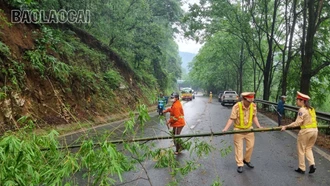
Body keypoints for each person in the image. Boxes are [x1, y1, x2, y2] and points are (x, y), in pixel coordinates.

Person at [222, 92, 263, 173]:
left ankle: (247, 160)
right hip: (238, 130)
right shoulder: (237, 106)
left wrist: (259, 126)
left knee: (250, 146)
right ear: (244, 99)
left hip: (249, 129)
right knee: (239, 148)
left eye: (252, 101)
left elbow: (254, 117)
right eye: (248, 101)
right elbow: (232, 118)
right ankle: (240, 164)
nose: (250, 103)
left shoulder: (253, 106)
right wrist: (225, 129)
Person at [281, 91, 318, 174]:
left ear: (302, 101)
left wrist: (286, 126)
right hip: (315, 131)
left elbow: (297, 122)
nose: (296, 101)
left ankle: (302, 168)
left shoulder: (302, 109)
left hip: (306, 132)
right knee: (308, 148)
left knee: (301, 149)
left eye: (297, 100)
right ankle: (312, 164)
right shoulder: (311, 109)